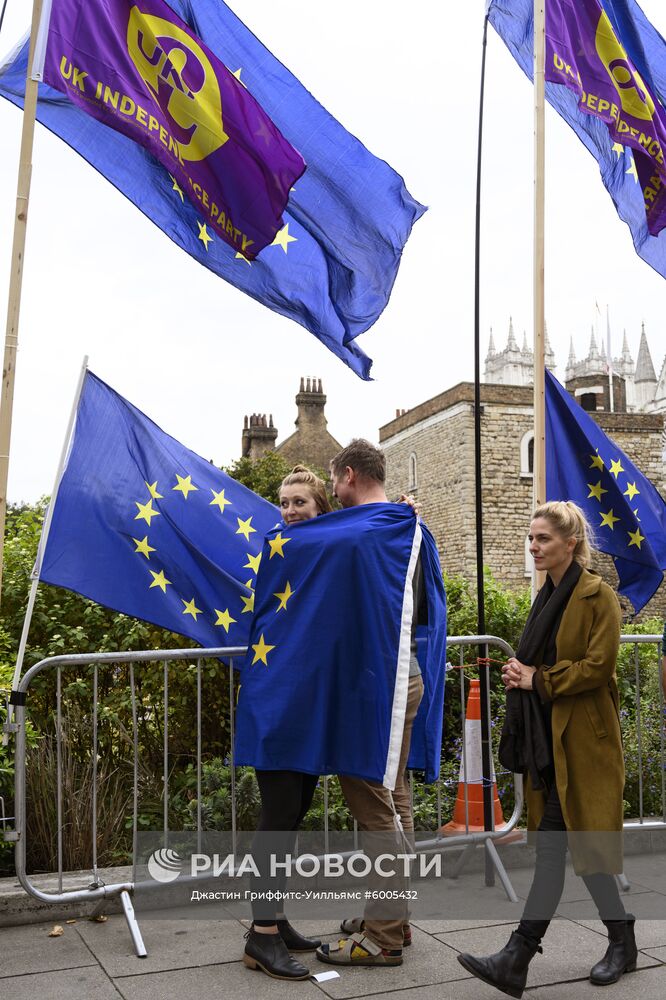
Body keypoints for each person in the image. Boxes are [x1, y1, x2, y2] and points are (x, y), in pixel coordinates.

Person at [458, 501, 635, 998]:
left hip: (585, 741)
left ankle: (518, 956)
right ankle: (620, 941)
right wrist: (520, 674)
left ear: (570, 543)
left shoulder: (598, 596)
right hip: (549, 740)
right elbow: (536, 663)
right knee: (571, 850)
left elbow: (598, 666)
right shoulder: (547, 597)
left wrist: (538, 678)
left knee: (573, 849)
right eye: (531, 539)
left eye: (543, 539)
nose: (534, 547)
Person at [315, 439, 427, 969]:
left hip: (376, 684)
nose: (333, 492)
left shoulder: (365, 529)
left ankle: (383, 936)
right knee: (393, 793)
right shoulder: (407, 524)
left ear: (351, 474)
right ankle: (392, 918)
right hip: (403, 676)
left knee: (372, 804)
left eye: (334, 481)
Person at [243, 465, 332, 982]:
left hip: (307, 701)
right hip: (275, 698)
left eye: (300, 502)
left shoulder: (320, 547)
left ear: (320, 508)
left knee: (295, 810)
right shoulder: (278, 548)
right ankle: (262, 937)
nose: (290, 509)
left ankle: (274, 921)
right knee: (277, 817)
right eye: (284, 501)